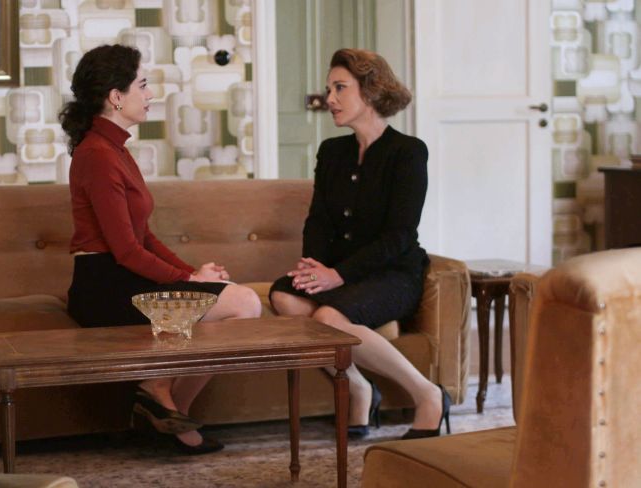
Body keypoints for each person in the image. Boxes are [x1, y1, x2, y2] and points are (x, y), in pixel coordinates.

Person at [59, 44, 262, 455]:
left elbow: (144, 237)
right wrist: (190, 279)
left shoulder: (115, 149)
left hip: (121, 277)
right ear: (116, 96)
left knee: (237, 301)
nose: (150, 94)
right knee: (244, 303)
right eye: (143, 85)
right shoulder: (97, 154)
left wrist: (193, 273)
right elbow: (126, 251)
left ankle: (165, 413)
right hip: (104, 288)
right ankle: (161, 398)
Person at [269, 48, 450, 440]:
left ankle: (428, 394)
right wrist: (312, 267)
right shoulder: (332, 152)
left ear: (370, 91)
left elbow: (400, 235)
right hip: (340, 273)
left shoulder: (408, 152)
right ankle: (359, 387)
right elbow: (318, 220)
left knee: (327, 318)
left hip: (393, 274)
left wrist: (337, 275)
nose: (329, 99)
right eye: (328, 89)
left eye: (340, 88)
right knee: (284, 296)